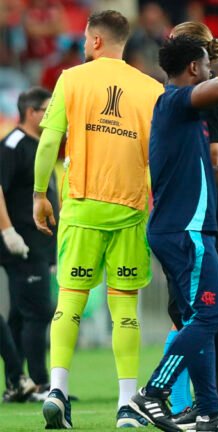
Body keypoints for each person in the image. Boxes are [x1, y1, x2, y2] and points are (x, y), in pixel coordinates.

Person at [32, 10, 163, 429]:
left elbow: (50, 138)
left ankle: (56, 389)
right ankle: (127, 404)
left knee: (69, 301)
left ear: (94, 41)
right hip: (129, 210)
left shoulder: (71, 79)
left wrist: (39, 195)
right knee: (124, 310)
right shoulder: (151, 89)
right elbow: (158, 155)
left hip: (81, 207)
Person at [128, 34, 218, 432]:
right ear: (194, 69)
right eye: (206, 64)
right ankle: (152, 393)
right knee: (213, 313)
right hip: (187, 231)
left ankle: (208, 412)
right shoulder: (173, 101)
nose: (211, 69)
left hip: (180, 228)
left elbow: (208, 178)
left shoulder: (188, 122)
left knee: (200, 320)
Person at [160, 21, 218, 424]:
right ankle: (214, 407)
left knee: (207, 314)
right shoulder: (182, 101)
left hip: (203, 218)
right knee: (202, 314)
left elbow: (211, 166)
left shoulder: (203, 100)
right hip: (191, 218)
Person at [0, 87, 55, 401]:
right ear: (32, 112)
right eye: (47, 108)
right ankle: (39, 383)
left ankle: (17, 383)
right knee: (37, 311)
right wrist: (9, 232)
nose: (52, 114)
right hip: (20, 241)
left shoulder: (41, 144)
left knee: (22, 314)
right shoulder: (12, 144)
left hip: (38, 243)